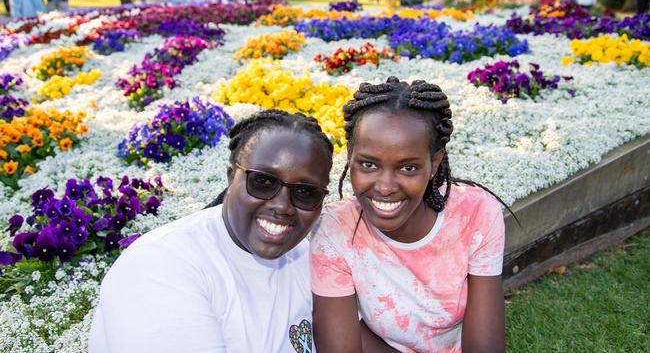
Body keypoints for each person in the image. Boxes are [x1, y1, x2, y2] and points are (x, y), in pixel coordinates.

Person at [89, 110, 334, 352]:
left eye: (305, 193)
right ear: (231, 177)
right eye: (263, 182)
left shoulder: (307, 256)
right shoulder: (160, 265)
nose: (282, 206)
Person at [311, 77, 507, 352]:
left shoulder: (475, 214)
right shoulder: (335, 230)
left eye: (408, 168)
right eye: (368, 164)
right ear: (351, 155)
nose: (386, 187)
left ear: (434, 161)